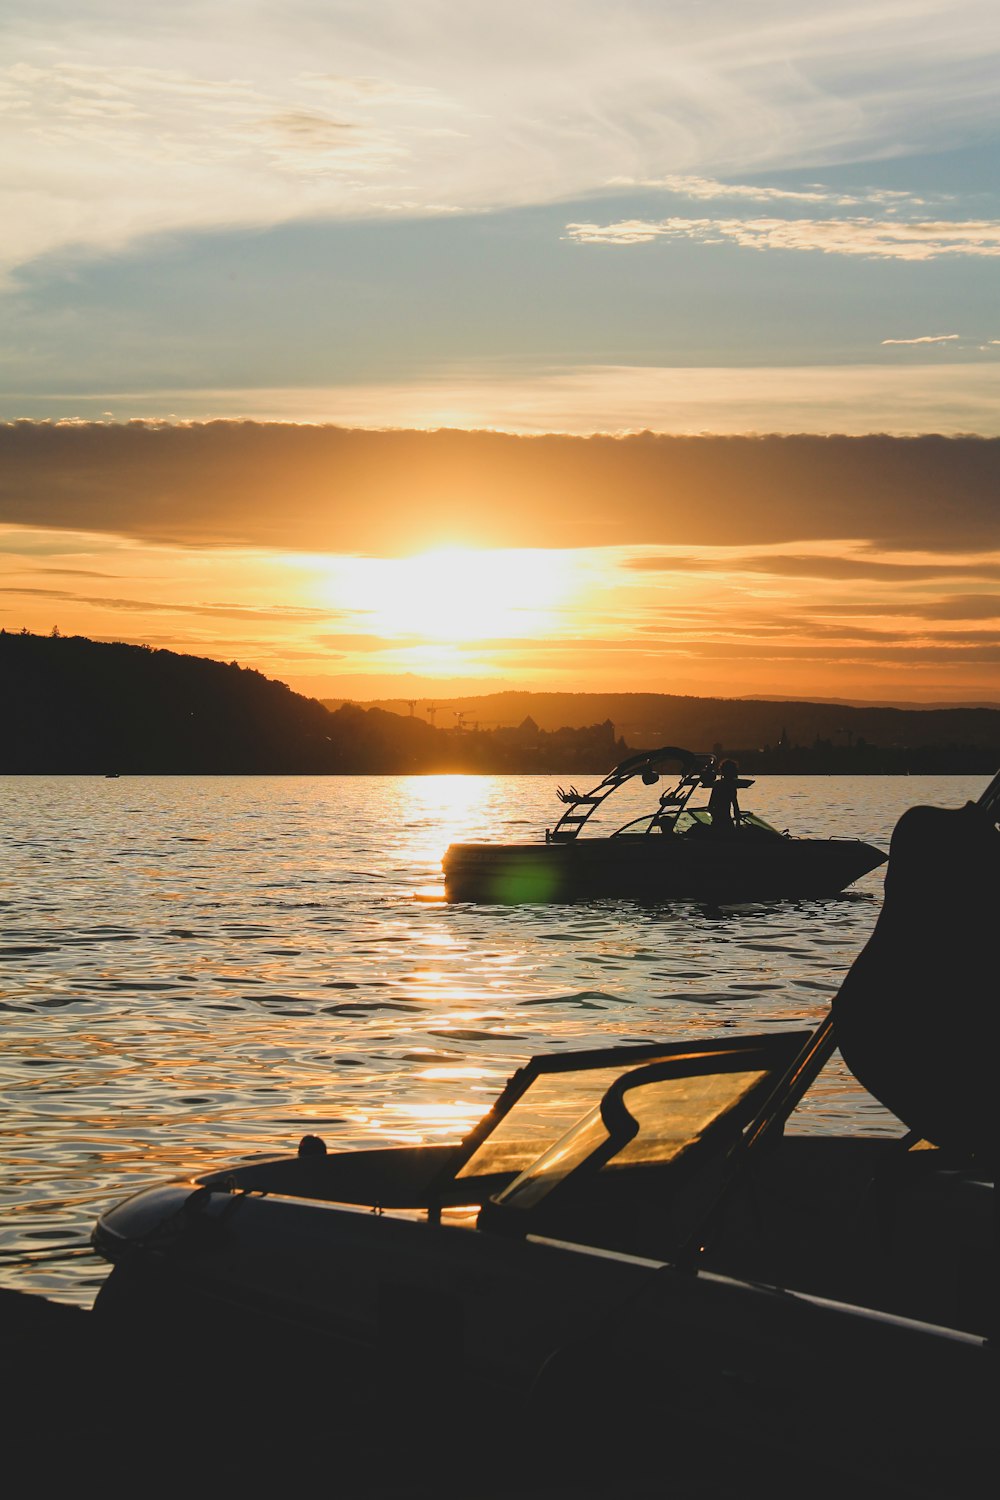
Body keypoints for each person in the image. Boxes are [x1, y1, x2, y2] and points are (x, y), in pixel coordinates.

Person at [707, 759, 742, 833]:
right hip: (723, 823)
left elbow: (710, 807)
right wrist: (738, 824)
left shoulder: (719, 785)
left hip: (721, 822)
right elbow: (735, 807)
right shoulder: (727, 786)